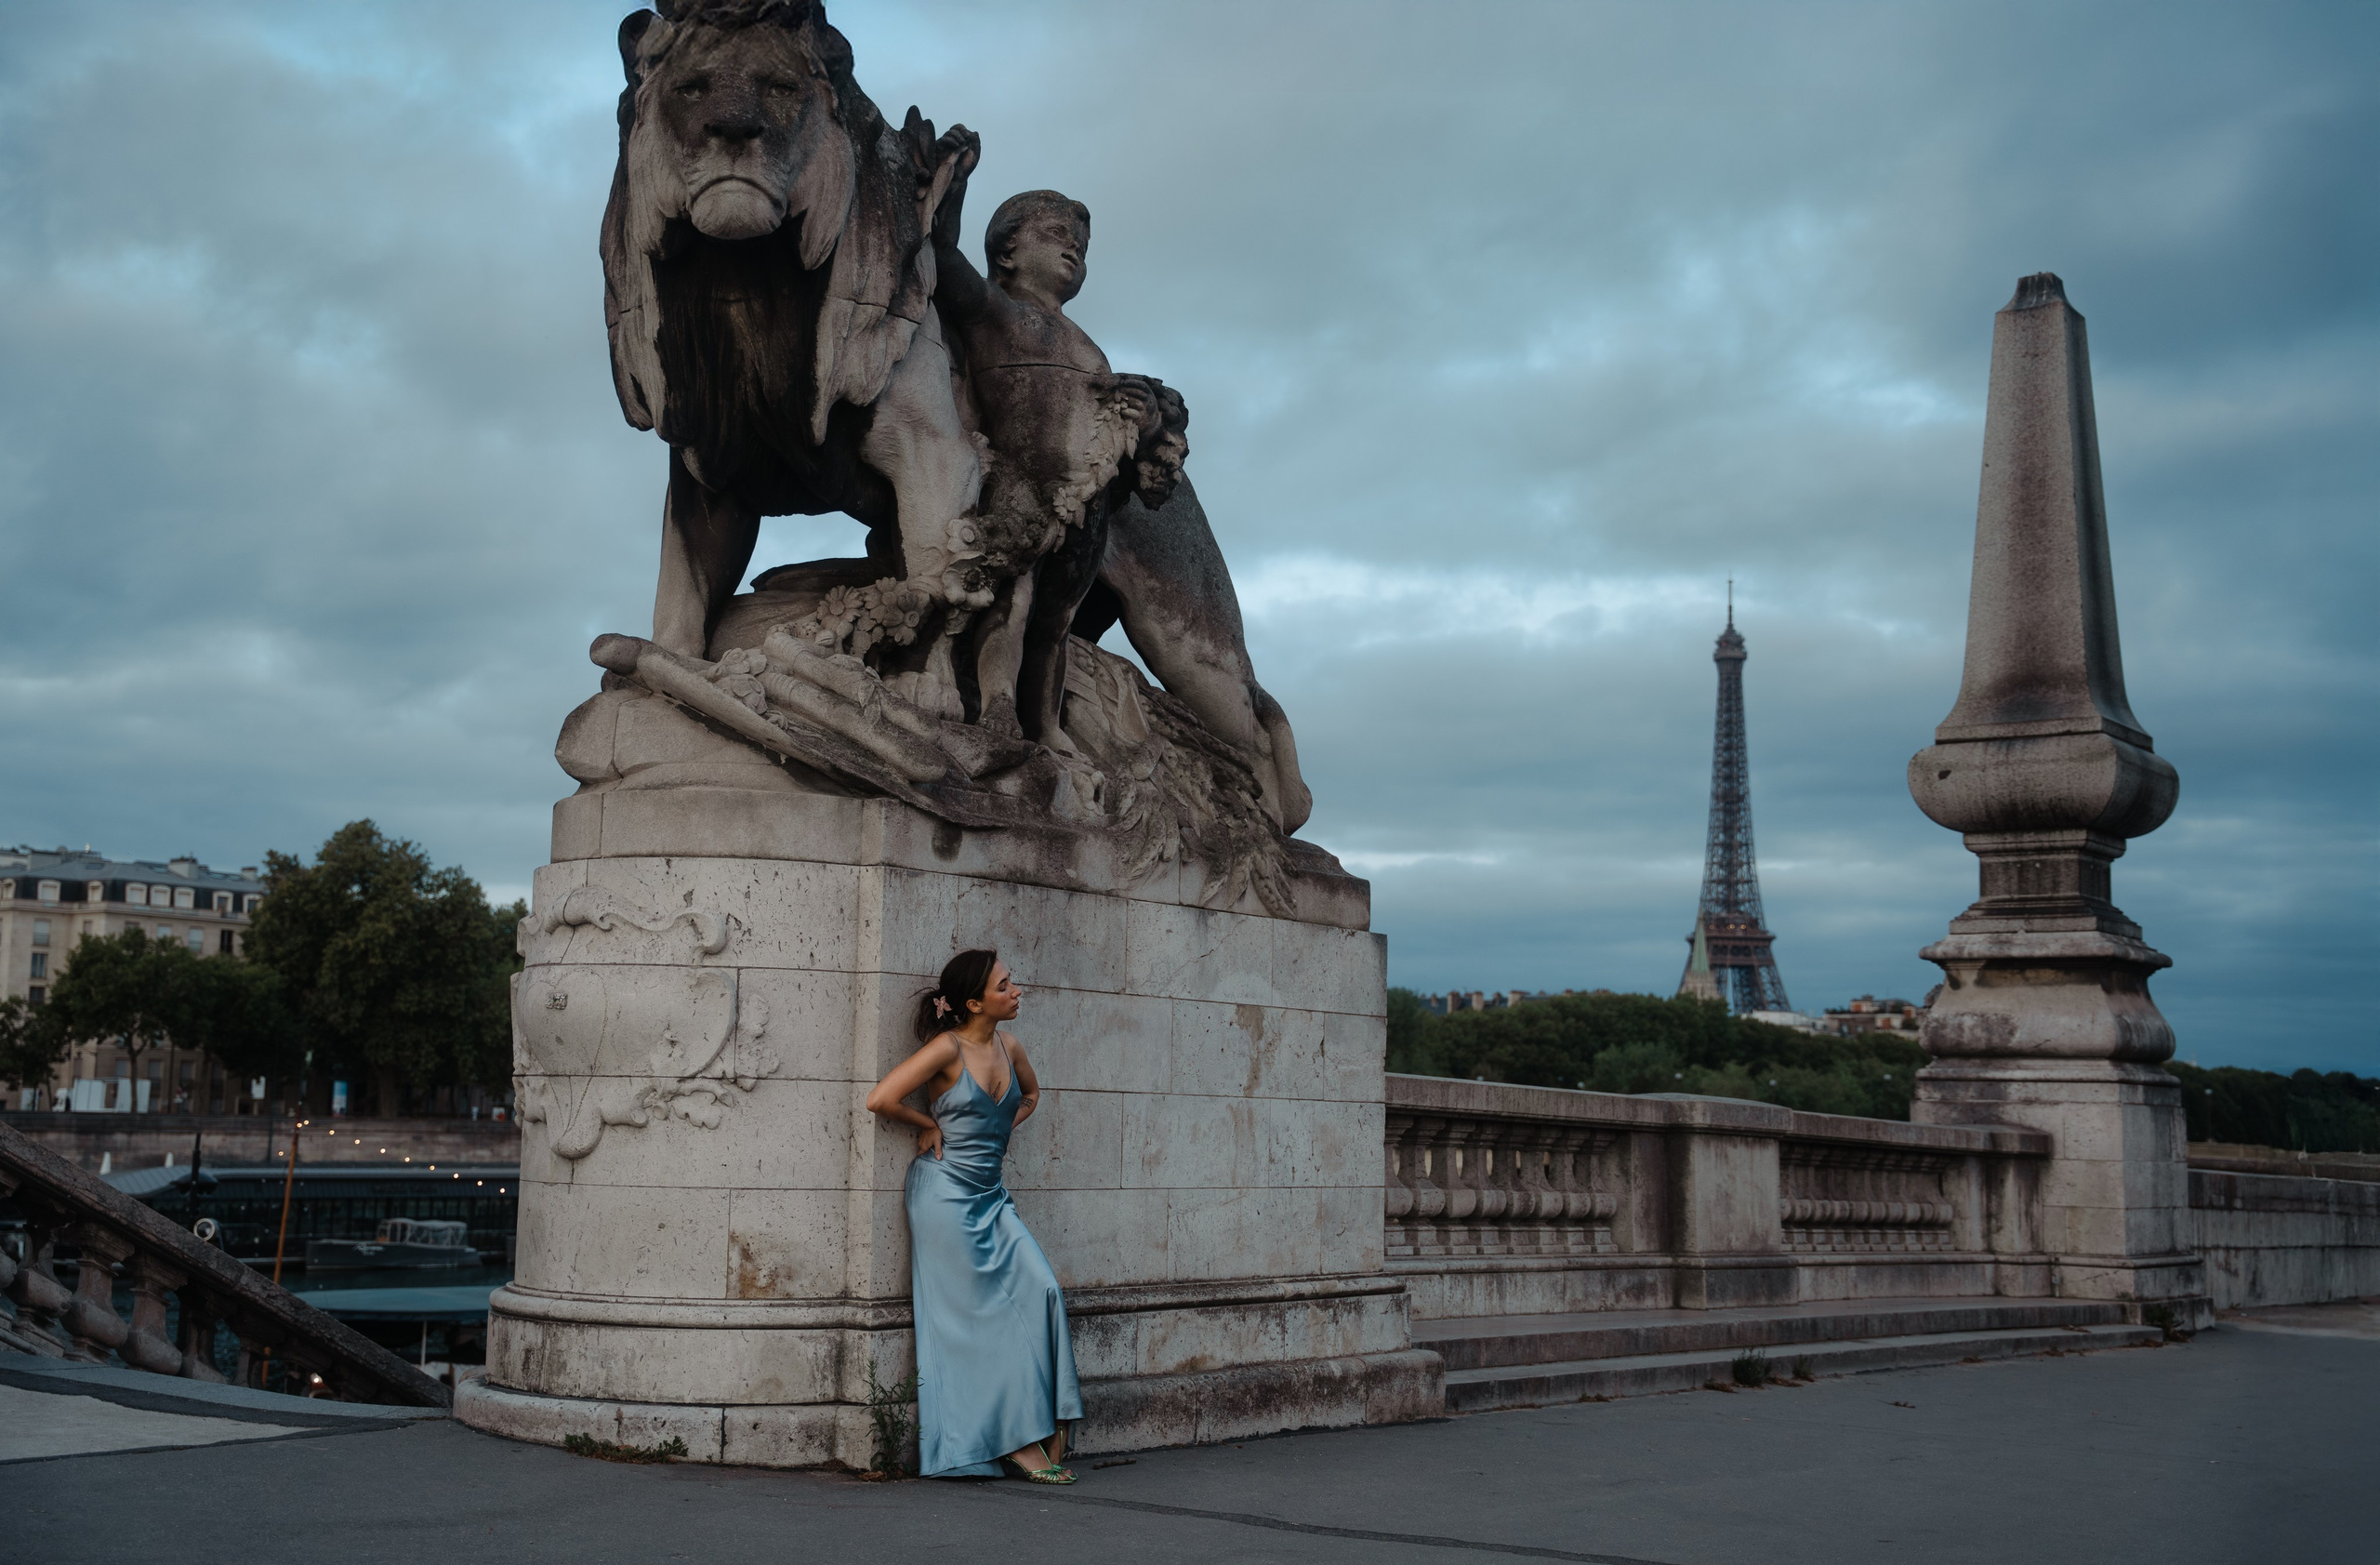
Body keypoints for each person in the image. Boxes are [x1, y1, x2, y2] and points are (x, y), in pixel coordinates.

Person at [927, 128, 1186, 746]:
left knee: (1055, 623)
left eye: (1081, 245)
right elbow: (940, 254)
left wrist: (1145, 417)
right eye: (1055, 236)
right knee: (1012, 603)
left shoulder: (1086, 346)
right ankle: (998, 710)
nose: (1073, 249)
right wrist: (953, 185)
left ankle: (1043, 725)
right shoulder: (994, 310)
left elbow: (1122, 441)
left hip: (1085, 508)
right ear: (1008, 250)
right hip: (1018, 489)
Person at [866, 948, 1082, 1481]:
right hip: (943, 1196)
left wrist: (1003, 1127)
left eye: (1013, 983)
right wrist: (929, 1122)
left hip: (991, 1195)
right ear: (973, 1002)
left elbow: (1030, 1095)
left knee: (1043, 1289)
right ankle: (1015, 1440)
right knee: (980, 1318)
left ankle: (1041, 1425)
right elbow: (880, 1098)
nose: (1016, 991)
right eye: (1005, 985)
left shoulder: (1010, 1047)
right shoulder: (946, 1048)